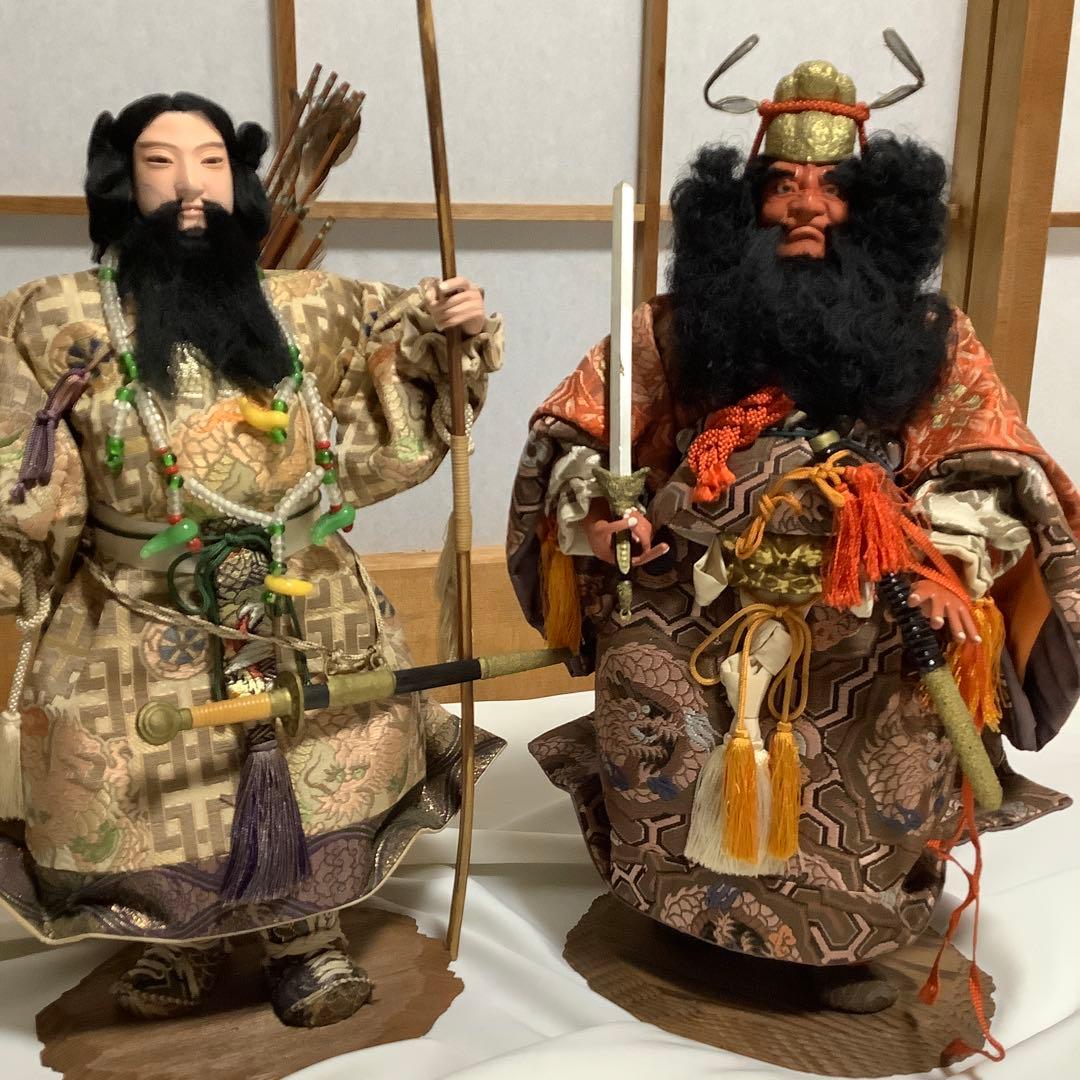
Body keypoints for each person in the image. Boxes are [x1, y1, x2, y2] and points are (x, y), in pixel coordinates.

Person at [507, 53, 1079, 1032]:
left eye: (832, 187)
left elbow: (992, 460)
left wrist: (950, 564)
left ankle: (839, 940)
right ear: (743, 205)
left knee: (886, 740)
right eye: (781, 185)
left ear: (875, 207)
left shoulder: (934, 337)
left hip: (866, 615)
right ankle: (683, 921)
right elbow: (579, 435)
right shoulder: (672, 331)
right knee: (654, 709)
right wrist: (597, 518)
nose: (806, 207)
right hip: (692, 606)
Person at [0, 92, 504, 1028]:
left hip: (301, 594)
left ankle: (306, 938)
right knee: (155, 778)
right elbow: (26, 465)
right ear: (121, 183)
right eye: (160, 162)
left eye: (212, 162)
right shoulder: (53, 316)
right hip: (140, 601)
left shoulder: (309, 306)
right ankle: (174, 940)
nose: (190, 184)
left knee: (316, 758)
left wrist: (447, 327)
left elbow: (396, 361)